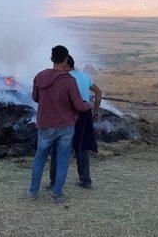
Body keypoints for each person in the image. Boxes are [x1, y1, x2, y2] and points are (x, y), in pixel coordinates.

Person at [27, 45, 92, 204]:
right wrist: (89, 105)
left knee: (40, 158)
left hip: (45, 125)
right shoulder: (69, 80)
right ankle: (57, 195)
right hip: (65, 127)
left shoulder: (39, 76)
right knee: (62, 160)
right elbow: (78, 105)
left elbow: (35, 98)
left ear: (51, 59)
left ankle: (33, 192)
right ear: (65, 59)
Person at [47, 55, 102, 189]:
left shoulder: (64, 78)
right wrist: (95, 111)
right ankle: (85, 181)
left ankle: (54, 182)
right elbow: (99, 92)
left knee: (58, 147)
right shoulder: (84, 76)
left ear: (65, 65)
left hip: (68, 113)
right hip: (84, 114)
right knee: (82, 147)